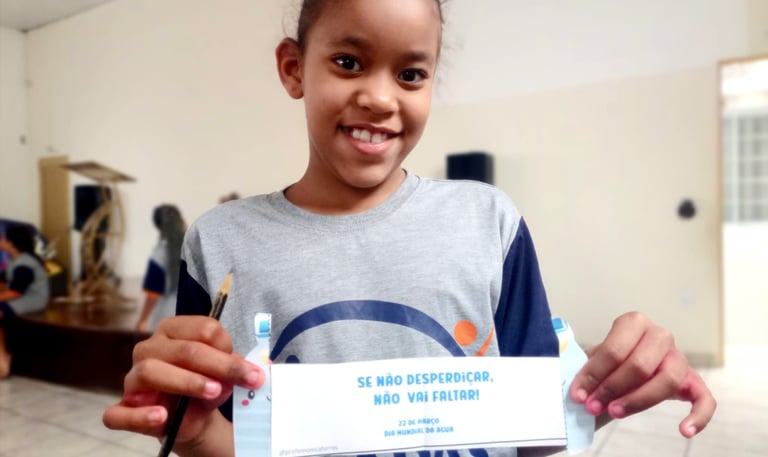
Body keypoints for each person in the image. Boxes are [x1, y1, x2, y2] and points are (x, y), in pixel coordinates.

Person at [102, 1, 717, 456]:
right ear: (294, 68)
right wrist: (199, 431)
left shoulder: (488, 221)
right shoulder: (219, 242)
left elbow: (539, 421)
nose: (379, 97)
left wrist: (620, 381)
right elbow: (223, 433)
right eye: (348, 62)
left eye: (411, 74)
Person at [0, 224, 51, 378]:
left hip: (32, 299)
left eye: (3, 239)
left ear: (11, 243)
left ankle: (3, 361)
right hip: (20, 297)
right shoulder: (13, 261)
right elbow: (3, 282)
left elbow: (15, 292)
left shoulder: (25, 263)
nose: (1, 241)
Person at [136, 204, 186, 332]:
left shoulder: (160, 253)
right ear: (181, 221)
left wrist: (142, 320)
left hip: (166, 317)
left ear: (158, 226)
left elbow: (153, 292)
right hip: (193, 318)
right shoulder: (194, 247)